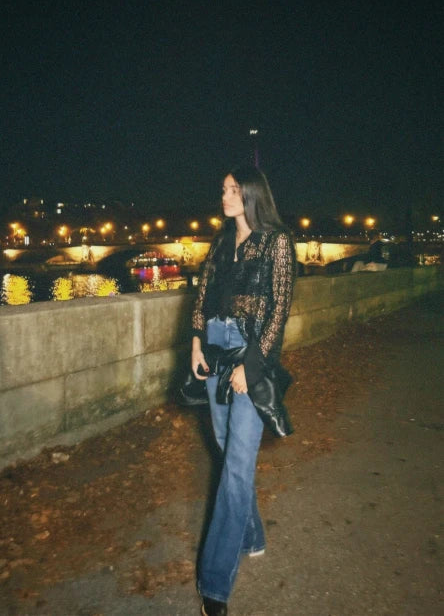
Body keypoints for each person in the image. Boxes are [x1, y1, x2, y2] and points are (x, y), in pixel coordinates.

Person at [191, 164, 297, 616]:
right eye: (223, 189)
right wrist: (196, 341)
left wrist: (251, 366)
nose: (225, 196)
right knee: (224, 447)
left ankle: (214, 583)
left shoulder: (276, 242)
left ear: (253, 194)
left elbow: (279, 308)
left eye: (234, 190)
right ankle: (251, 536)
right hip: (216, 348)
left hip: (250, 351)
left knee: (236, 465)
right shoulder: (221, 243)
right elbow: (202, 295)